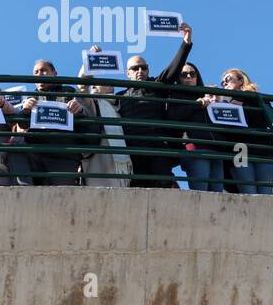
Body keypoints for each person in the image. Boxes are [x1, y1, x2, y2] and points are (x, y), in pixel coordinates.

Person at [115, 22, 194, 187]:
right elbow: (95, 97)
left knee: (163, 186)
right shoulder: (120, 96)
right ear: (127, 73)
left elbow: (172, 69)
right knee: (137, 189)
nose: (140, 71)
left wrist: (186, 44)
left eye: (144, 68)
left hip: (158, 148)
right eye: (135, 68)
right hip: (133, 151)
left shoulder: (156, 86)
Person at [11, 59, 93, 186]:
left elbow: (86, 118)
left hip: (64, 156)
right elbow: (22, 124)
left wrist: (80, 110)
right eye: (36, 72)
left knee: (62, 197)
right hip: (36, 154)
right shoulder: (31, 97)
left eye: (43, 70)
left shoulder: (69, 91)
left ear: (55, 73)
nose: (39, 74)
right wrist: (25, 111)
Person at [200, 69, 273, 194]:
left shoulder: (258, 99)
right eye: (222, 82)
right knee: (248, 190)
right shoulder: (224, 104)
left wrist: (246, 104)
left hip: (264, 148)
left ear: (241, 80)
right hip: (239, 149)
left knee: (266, 192)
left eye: (228, 79)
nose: (224, 83)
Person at [74, 51, 132, 187]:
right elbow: (82, 83)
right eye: (104, 82)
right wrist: (91, 58)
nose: (110, 84)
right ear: (94, 88)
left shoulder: (119, 105)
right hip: (99, 160)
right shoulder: (93, 102)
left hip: (120, 164)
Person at [167, 59, 220, 192]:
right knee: (201, 193)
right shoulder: (174, 95)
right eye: (184, 74)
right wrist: (196, 104)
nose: (189, 77)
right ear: (178, 78)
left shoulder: (207, 95)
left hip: (216, 149)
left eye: (192, 73)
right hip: (194, 149)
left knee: (219, 194)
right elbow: (173, 116)